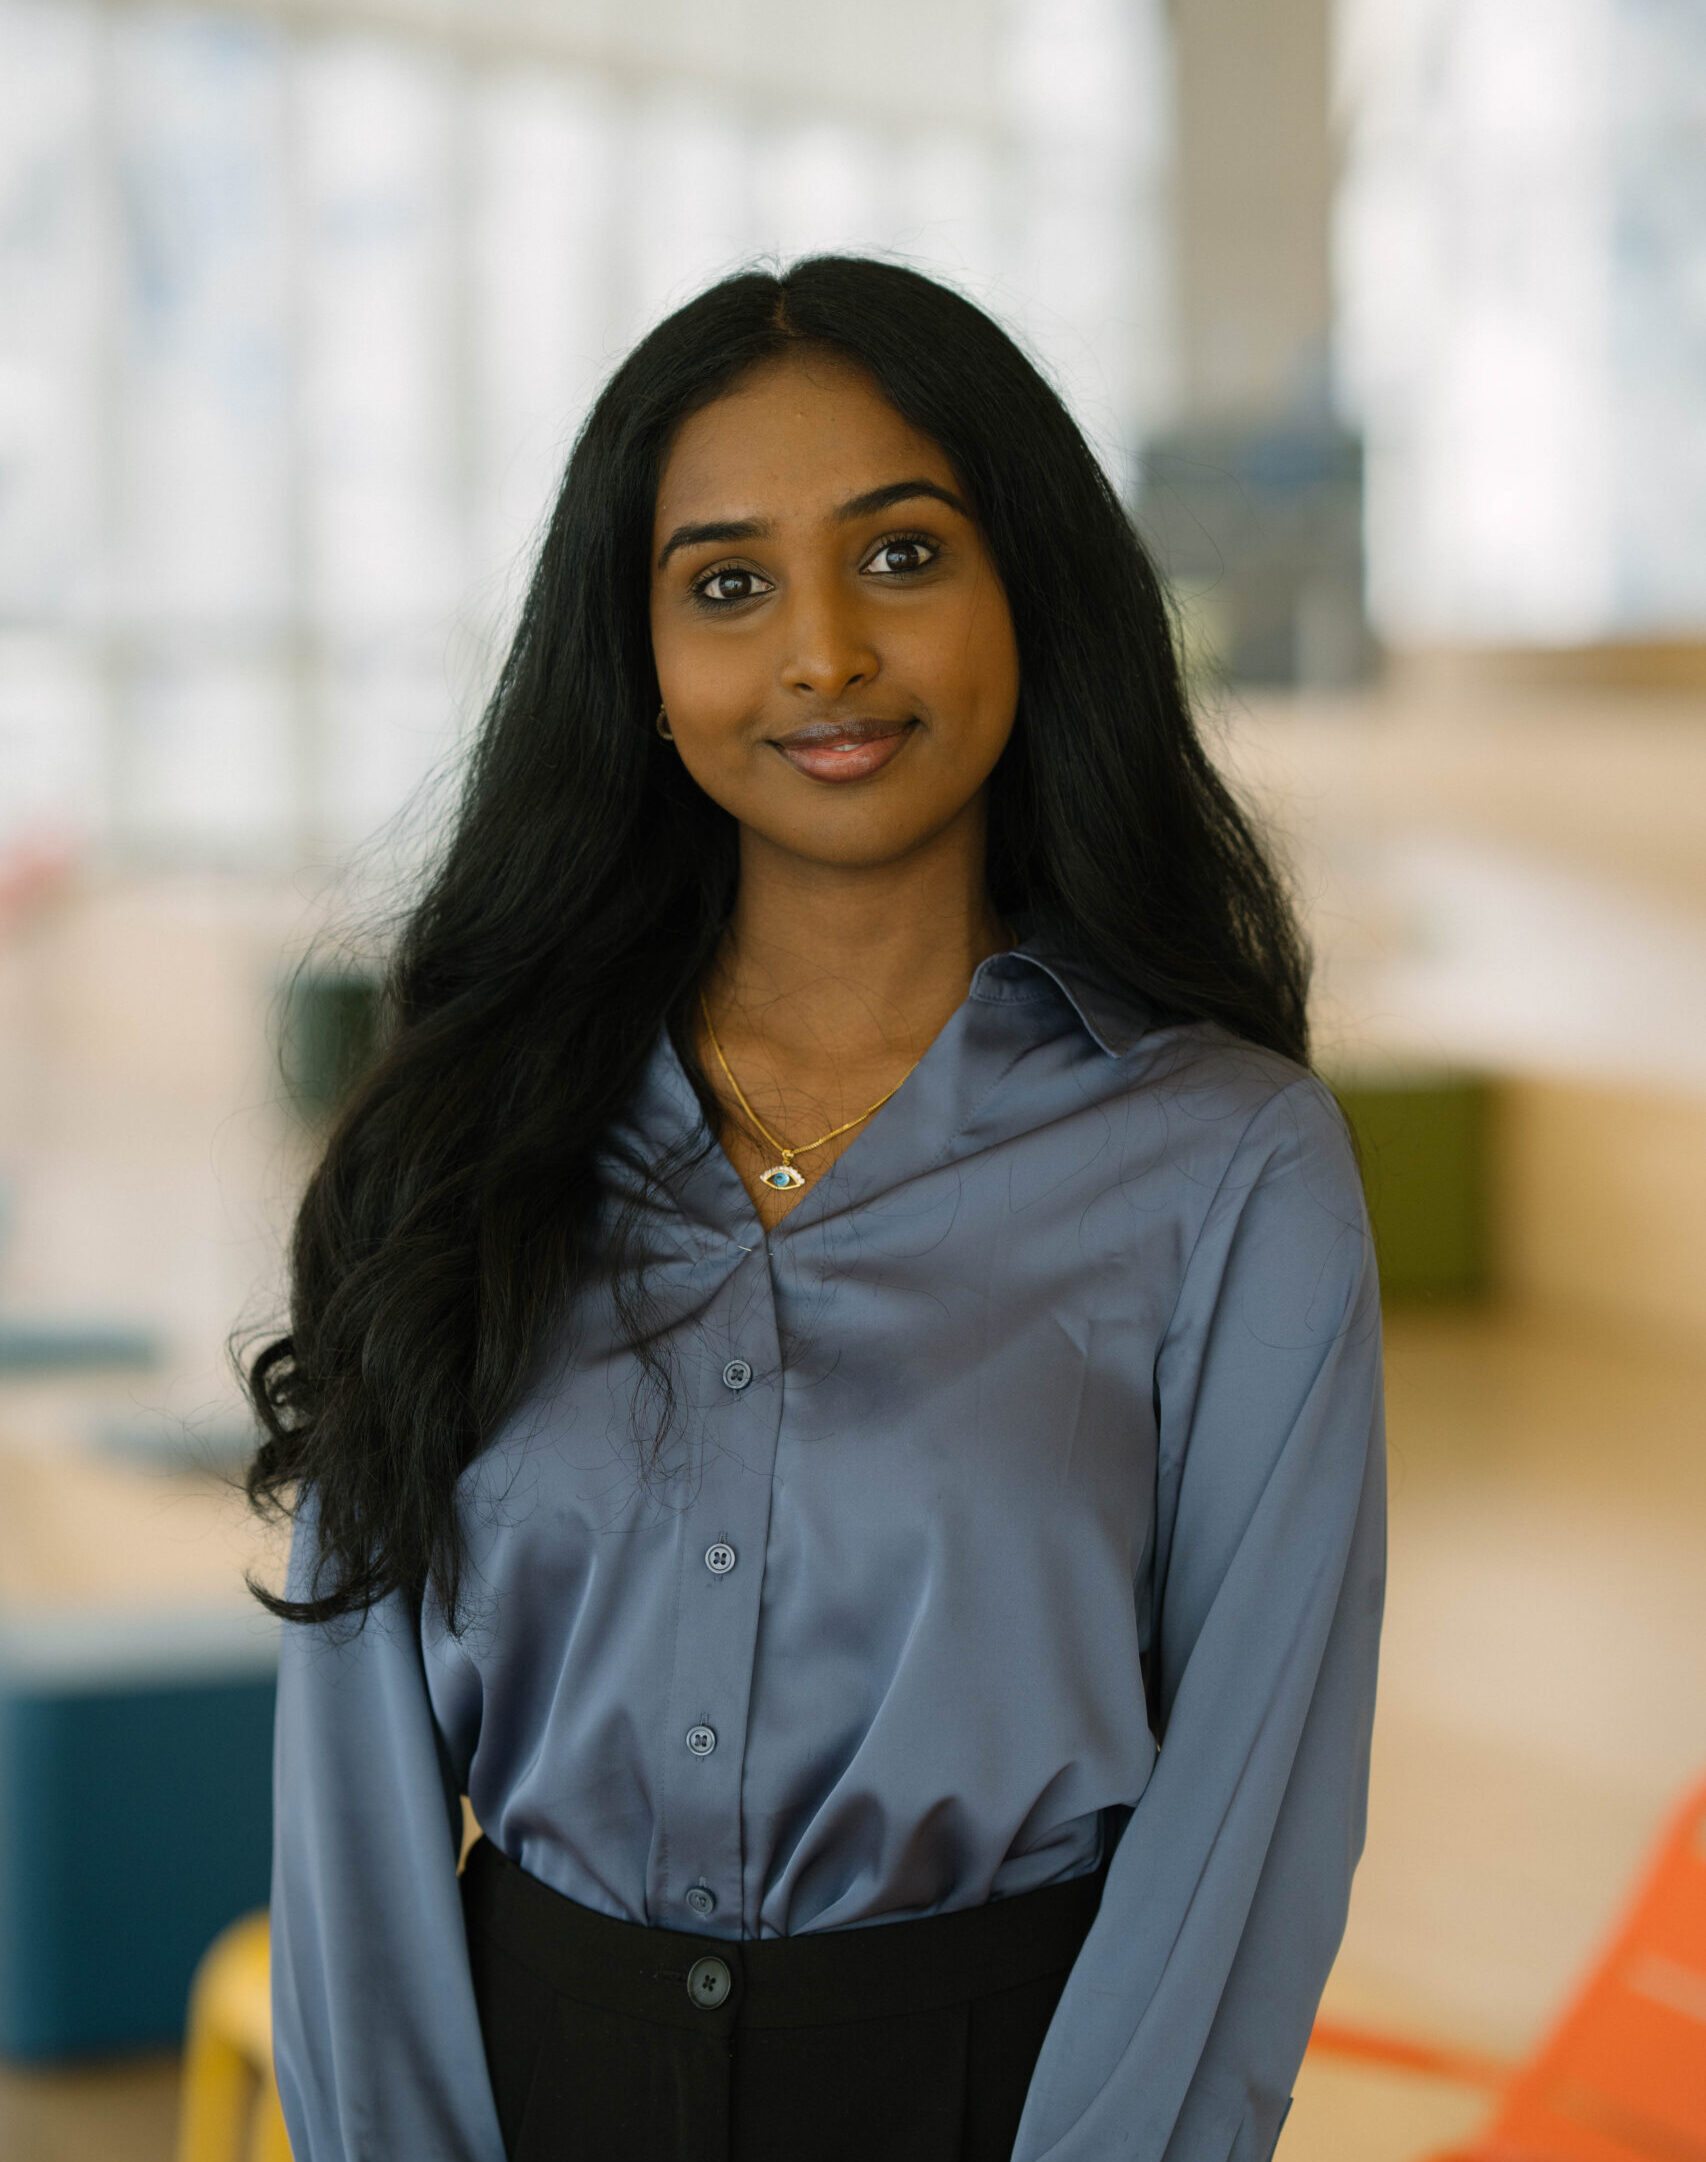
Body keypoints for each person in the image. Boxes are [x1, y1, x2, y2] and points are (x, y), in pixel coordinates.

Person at [251, 256, 1385, 2162]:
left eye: (902, 557)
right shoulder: (451, 1138)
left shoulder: (1230, 1167)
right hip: (533, 2086)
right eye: (726, 584)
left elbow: (1247, 1816)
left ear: (1033, 588)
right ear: (635, 654)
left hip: (999, 2100)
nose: (823, 657)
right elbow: (348, 1773)